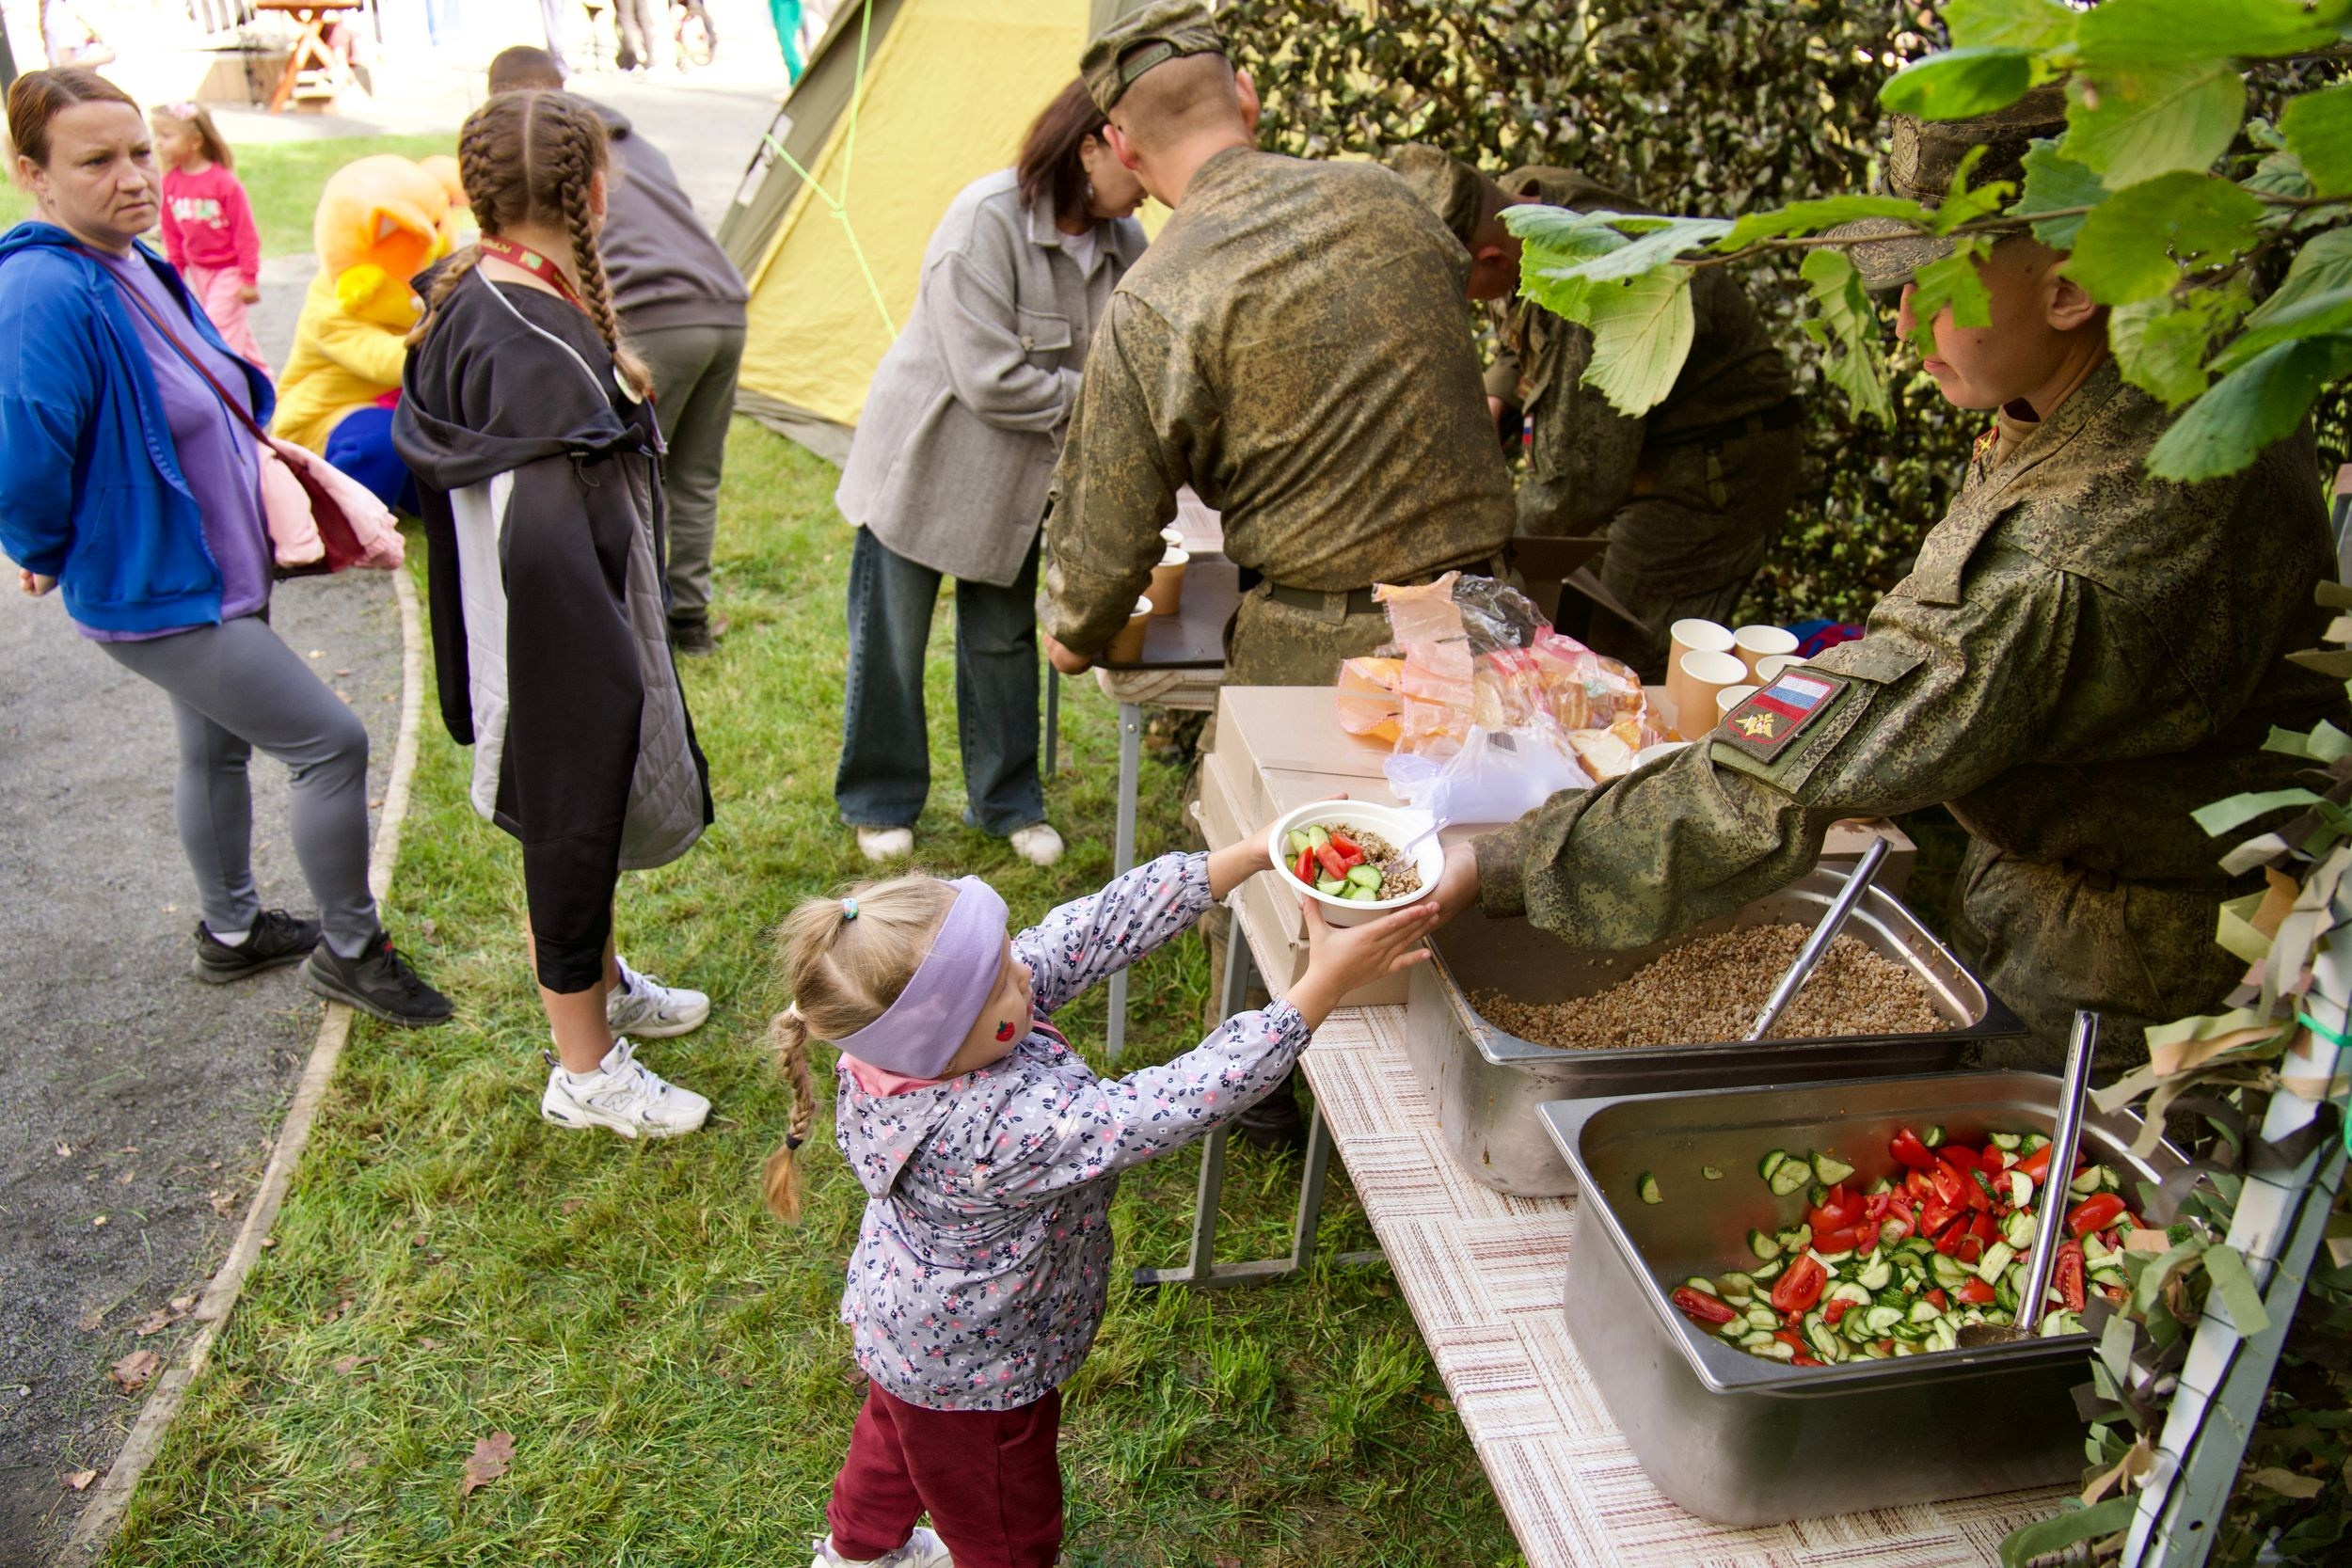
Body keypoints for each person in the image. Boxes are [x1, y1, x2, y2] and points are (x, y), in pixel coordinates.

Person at [1428, 88, 2349, 1065]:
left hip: (2127, 962)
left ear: (2071, 289)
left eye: (1937, 286)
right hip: (2063, 878)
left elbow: (1799, 768)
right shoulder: (2138, 366)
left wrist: (1506, 863)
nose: (1906, 332)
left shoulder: (2078, 550)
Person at [1039, 1, 1513, 1146]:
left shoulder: (1162, 291)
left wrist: (1075, 625)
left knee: (1282, 879)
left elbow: (1106, 526)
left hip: (1324, 640)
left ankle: (1269, 1101)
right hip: (1485, 615)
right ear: (1247, 100)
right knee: (1471, 852)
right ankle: (1459, 1064)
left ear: (1124, 153)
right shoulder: (1394, 203)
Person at [765, 838, 1439, 1568]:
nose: (1024, 969)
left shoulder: (902, 1045)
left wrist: (1238, 858)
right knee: (1005, 1522)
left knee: (896, 1434)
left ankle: (855, 1552)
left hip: (910, 1333)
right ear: (947, 1039)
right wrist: (1318, 989)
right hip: (982, 1364)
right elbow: (1172, 1101)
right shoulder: (1004, 1129)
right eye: (1001, 979)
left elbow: (1085, 931)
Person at [0, 69, 452, 1027]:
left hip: (212, 566)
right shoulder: (42, 287)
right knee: (331, 743)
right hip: (157, 584)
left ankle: (232, 931)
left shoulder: (128, 258)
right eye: (97, 161)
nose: (133, 178)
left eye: (139, 154)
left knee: (214, 744)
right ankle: (350, 947)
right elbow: (27, 446)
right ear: (30, 172)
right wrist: (39, 542)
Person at [396, 89, 718, 1137]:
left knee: (593, 810)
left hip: (543, 614)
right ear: (592, 188)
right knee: (574, 816)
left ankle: (605, 981)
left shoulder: (483, 288)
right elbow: (540, 534)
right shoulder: (524, 343)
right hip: (556, 630)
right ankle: (584, 1068)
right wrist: (588, 687)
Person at [825, 79, 1149, 871]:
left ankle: (1007, 801)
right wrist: (1107, 402)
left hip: (1013, 489)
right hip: (922, 465)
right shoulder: (983, 221)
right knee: (891, 642)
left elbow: (1147, 357)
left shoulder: (1128, 244)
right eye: (1135, 155)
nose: (1147, 175)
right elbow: (990, 379)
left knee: (1003, 643)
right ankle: (879, 800)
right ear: (1089, 149)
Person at [1390, 146, 1804, 680]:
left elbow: (1574, 488)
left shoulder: (1585, 285)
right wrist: (1497, 403)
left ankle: (1656, 759)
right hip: (1646, 441)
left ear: (1490, 258)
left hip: (1713, 467)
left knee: (1624, 655)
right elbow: (1523, 326)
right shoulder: (1518, 209)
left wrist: (1468, 554)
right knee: (1575, 628)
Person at [485, 46, 752, 657]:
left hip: (652, 321)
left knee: (634, 482)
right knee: (693, 476)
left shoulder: (545, 160)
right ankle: (688, 620)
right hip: (722, 311)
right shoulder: (640, 144)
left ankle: (640, 628)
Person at [151, 101, 266, 372]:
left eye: (166, 136)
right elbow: (171, 232)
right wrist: (176, 272)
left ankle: (223, 393)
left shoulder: (224, 183)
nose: (158, 144)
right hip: (201, 272)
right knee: (238, 335)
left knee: (216, 334)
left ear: (195, 141)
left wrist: (249, 278)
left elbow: (245, 234)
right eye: (156, 136)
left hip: (229, 271)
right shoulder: (170, 182)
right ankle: (267, 387)